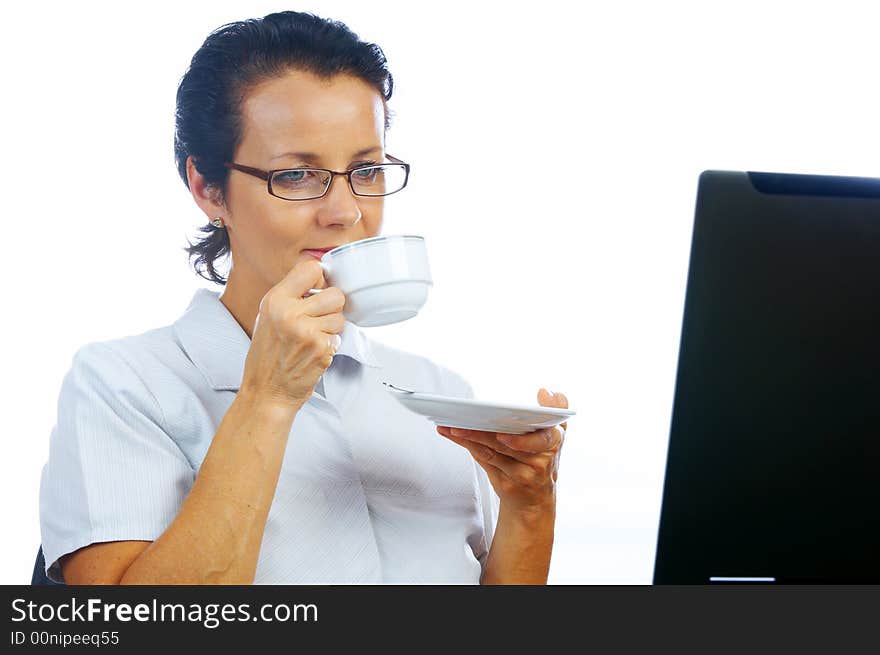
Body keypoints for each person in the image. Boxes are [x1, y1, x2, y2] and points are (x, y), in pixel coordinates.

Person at [38, 10, 568, 585]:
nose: (346, 212)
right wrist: (267, 397)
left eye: (365, 170)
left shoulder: (443, 400)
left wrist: (531, 507)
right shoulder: (124, 384)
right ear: (206, 187)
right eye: (296, 176)